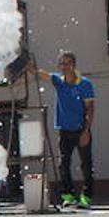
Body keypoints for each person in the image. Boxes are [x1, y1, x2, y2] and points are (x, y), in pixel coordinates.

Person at [35, 51, 95, 208]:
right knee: (63, 164)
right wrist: (27, 66)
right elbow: (42, 74)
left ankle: (86, 197)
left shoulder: (84, 84)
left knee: (86, 164)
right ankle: (68, 196)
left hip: (81, 129)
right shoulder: (59, 81)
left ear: (74, 65)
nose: (65, 66)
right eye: (62, 63)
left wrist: (86, 130)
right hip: (64, 130)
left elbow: (90, 108)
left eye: (67, 63)